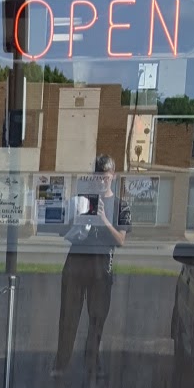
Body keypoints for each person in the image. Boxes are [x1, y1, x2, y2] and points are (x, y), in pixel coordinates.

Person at [52, 154, 131, 376]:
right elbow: (62, 230)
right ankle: (61, 364)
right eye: (97, 177)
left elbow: (121, 240)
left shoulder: (121, 206)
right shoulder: (82, 201)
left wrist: (103, 219)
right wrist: (75, 219)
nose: (102, 181)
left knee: (97, 319)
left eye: (105, 177)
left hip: (101, 266)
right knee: (68, 317)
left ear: (113, 176)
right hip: (76, 262)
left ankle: (92, 364)